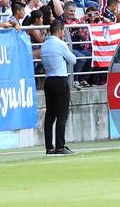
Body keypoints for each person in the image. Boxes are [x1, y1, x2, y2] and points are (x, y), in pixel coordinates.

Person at [40, 20, 76, 155]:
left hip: (49, 80)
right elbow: (73, 59)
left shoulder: (45, 45)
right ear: (60, 31)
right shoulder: (60, 44)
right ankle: (60, 145)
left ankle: (49, 146)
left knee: (50, 115)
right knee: (62, 115)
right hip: (60, 79)